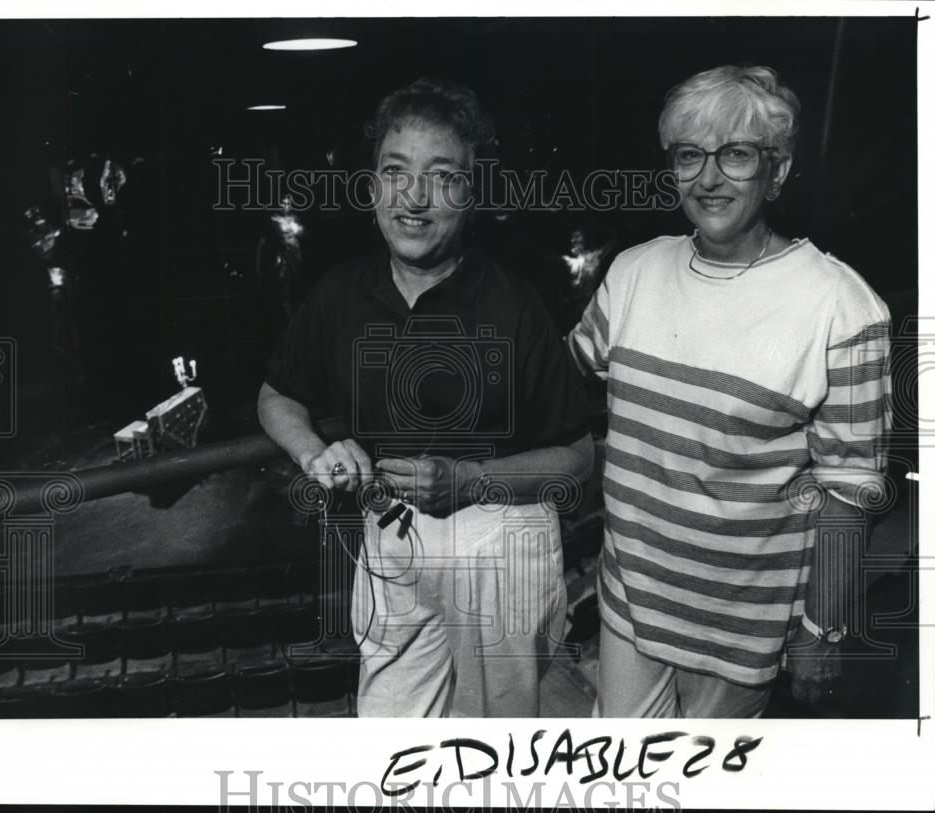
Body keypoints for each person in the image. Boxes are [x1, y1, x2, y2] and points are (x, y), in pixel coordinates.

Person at [258, 78, 593, 717]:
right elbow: (276, 396)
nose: (414, 198)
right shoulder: (341, 292)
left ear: (471, 192)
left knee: (490, 743)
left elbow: (577, 457)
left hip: (499, 538)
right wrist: (315, 452)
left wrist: (469, 480)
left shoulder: (513, 303)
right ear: (373, 186)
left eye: (442, 176)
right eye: (395, 172)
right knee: (388, 734)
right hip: (390, 534)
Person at [567, 65, 891, 717]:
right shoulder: (633, 272)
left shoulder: (842, 308)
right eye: (690, 155)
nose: (709, 178)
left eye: (736, 154)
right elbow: (557, 382)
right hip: (630, 604)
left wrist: (820, 632)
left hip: (740, 631)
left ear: (777, 170)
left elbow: (848, 495)